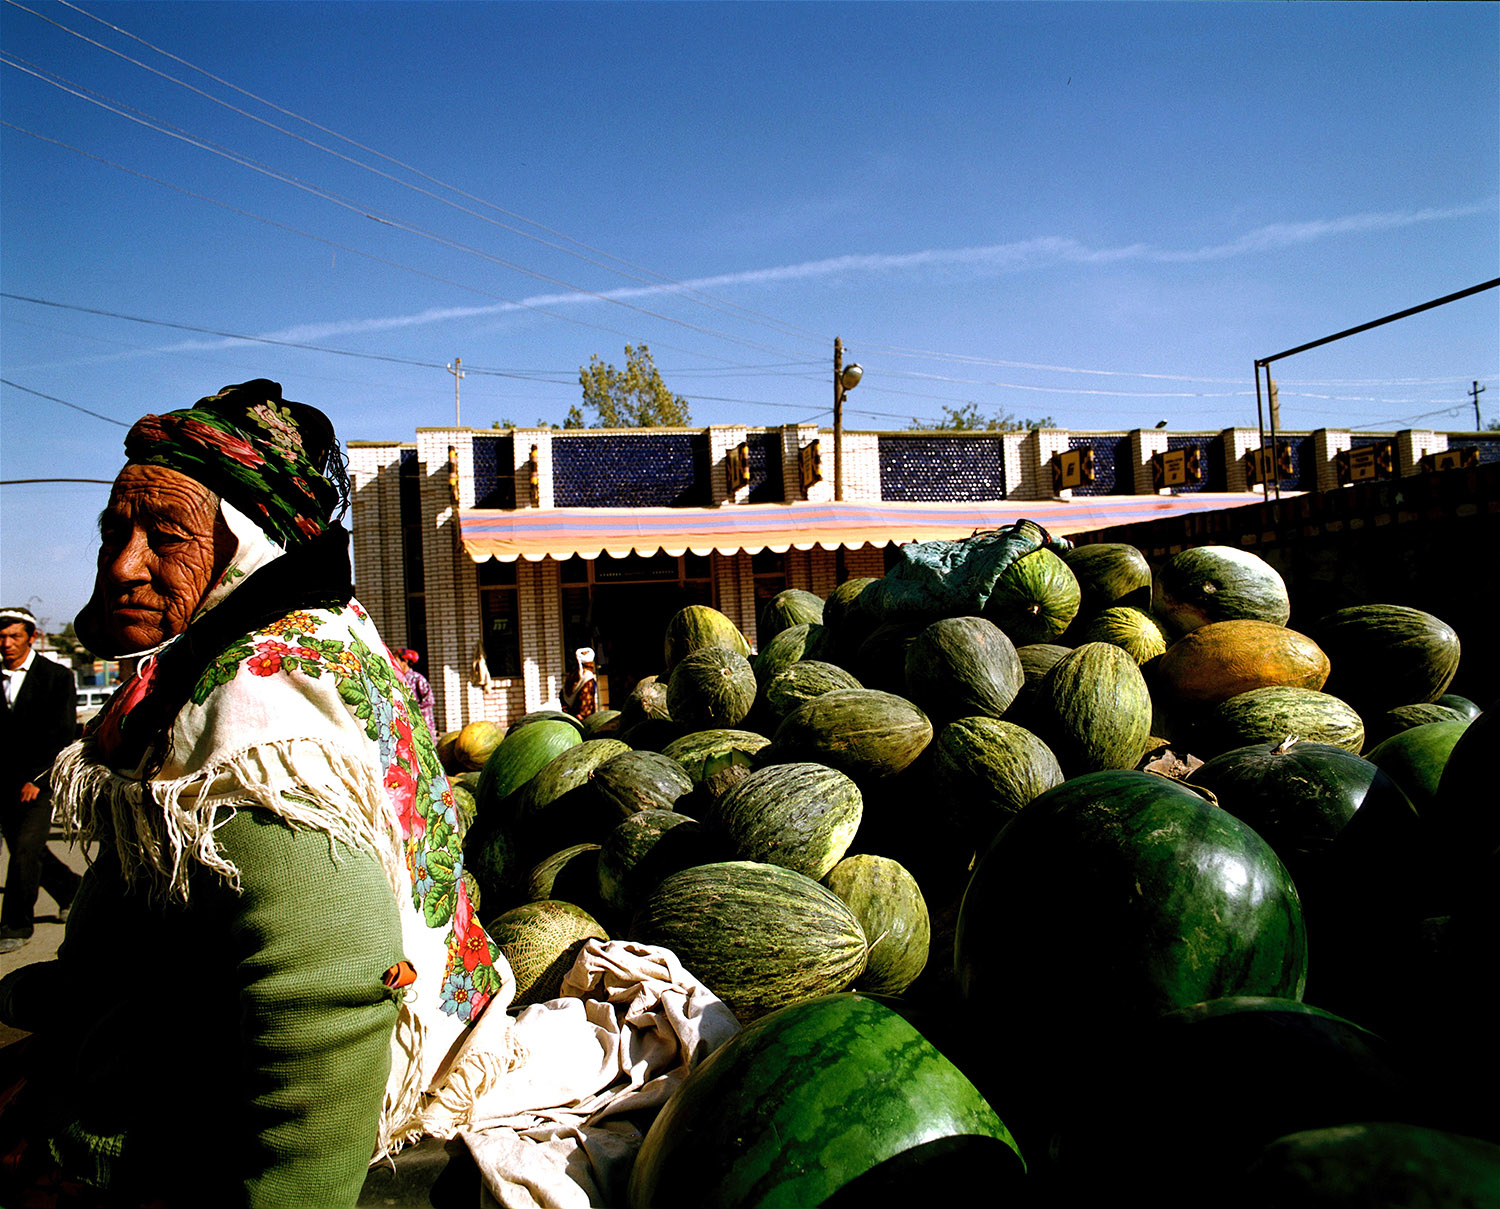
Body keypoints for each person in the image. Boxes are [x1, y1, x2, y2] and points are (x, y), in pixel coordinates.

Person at [0, 381, 507, 1208]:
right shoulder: (287, 639)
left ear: (243, 548)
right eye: (114, 531)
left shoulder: (259, 701)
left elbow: (331, 986)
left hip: (336, 1108)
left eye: (165, 535)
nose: (125, 564)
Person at [0, 607, 82, 953]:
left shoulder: (55, 677)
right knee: (27, 849)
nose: (6, 643)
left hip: (39, 780)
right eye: (1, 637)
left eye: (14, 636)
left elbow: (62, 734)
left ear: (32, 638)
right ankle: (71, 890)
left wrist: (38, 778)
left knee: (23, 849)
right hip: (4, 781)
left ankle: (16, 925)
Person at [391, 647, 436, 736]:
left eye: (396, 660)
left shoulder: (418, 679)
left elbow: (429, 701)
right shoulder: (396, 680)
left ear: (405, 661)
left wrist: (412, 710)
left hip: (420, 725)